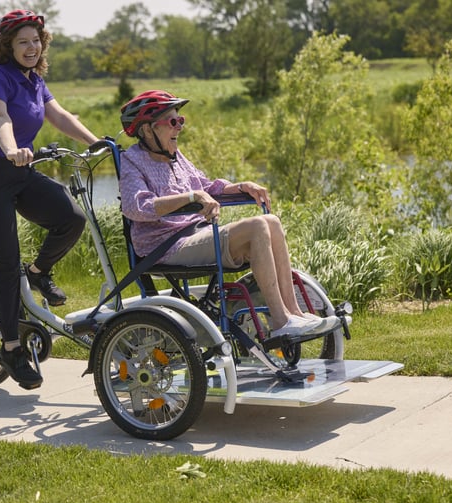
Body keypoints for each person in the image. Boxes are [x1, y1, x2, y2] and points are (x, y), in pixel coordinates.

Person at [118, 90, 341, 338]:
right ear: (147, 130)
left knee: (272, 221)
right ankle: (280, 322)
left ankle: (294, 313)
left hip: (196, 234)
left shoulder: (174, 156)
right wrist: (192, 198)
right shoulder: (132, 161)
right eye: (172, 122)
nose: (179, 127)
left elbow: (205, 186)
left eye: (180, 120)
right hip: (166, 246)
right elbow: (135, 206)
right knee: (258, 225)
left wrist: (241, 186)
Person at [0, 10, 98, 390]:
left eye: (36, 40)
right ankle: (11, 348)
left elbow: (59, 115)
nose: (31, 47)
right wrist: (13, 148)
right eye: (23, 42)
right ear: (8, 46)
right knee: (5, 263)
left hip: (18, 173)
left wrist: (96, 142)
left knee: (71, 217)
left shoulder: (33, 80)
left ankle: (37, 274)